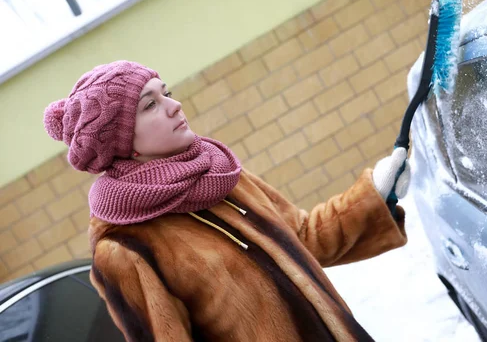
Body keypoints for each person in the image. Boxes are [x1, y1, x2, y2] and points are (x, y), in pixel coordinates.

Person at [43, 60, 410, 342]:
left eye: (166, 93)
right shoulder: (125, 249)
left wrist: (375, 193)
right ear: (123, 143)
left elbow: (305, 238)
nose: (174, 106)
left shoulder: (221, 177)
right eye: (149, 105)